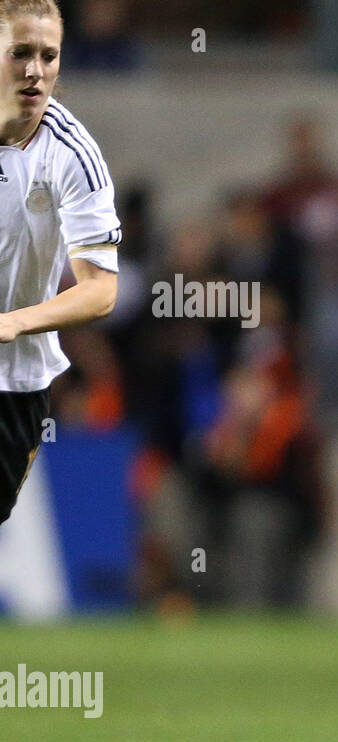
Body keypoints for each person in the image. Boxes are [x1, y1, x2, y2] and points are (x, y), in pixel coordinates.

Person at [0, 0, 120, 525]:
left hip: (14, 385)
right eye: (20, 52)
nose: (35, 70)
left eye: (49, 56)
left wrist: (16, 322)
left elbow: (101, 290)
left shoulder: (70, 154)